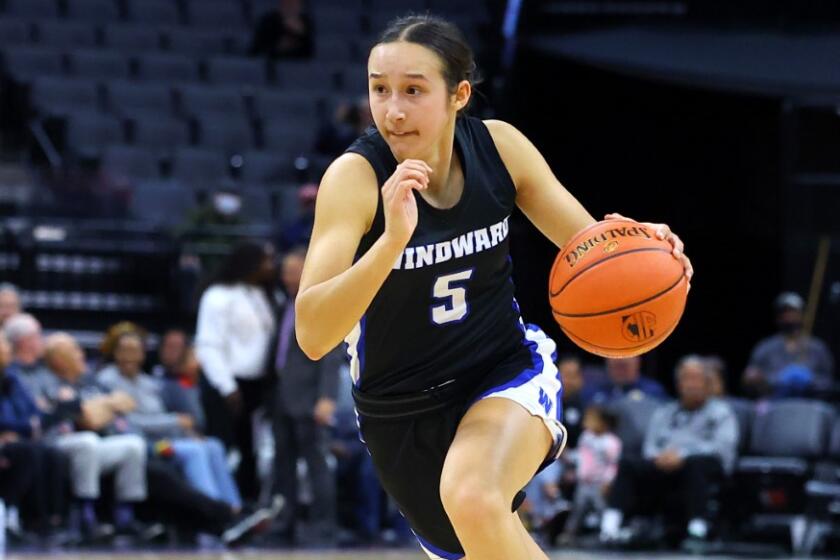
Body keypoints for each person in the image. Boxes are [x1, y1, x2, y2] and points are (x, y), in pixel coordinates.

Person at [293, 14, 693, 559]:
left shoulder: (500, 148)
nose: (393, 109)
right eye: (379, 89)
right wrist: (390, 242)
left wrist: (647, 253)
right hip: (397, 413)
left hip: (501, 370)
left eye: (413, 90)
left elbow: (590, 249)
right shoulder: (355, 179)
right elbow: (313, 333)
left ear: (459, 94)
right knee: (475, 536)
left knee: (473, 497)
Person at [599, 355, 736, 547]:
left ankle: (697, 531)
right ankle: (609, 529)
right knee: (629, 463)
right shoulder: (665, 412)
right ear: (678, 384)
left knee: (697, 464)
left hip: (702, 466)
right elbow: (650, 446)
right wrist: (660, 457)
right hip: (664, 465)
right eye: (686, 379)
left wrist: (683, 454)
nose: (691, 384)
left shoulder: (721, 412)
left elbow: (723, 448)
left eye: (696, 379)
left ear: (707, 383)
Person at [194, 240, 277, 502]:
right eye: (266, 261)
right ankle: (219, 508)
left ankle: (247, 504)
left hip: (256, 385)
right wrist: (226, 386)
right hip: (227, 385)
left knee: (250, 451)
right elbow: (208, 345)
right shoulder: (218, 295)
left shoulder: (265, 295)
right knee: (224, 448)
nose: (270, 267)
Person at [270, 247, 342, 546]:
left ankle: (324, 528)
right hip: (281, 396)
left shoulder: (319, 302)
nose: (287, 276)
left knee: (316, 465)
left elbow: (331, 353)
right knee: (282, 465)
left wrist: (327, 397)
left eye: (293, 270)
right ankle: (285, 524)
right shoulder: (283, 303)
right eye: (285, 270)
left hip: (310, 398)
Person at [742, 292, 834, 397]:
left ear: (802, 315)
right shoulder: (765, 348)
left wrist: (811, 381)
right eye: (784, 312)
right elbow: (749, 378)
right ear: (777, 317)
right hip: (773, 404)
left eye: (793, 312)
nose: (788, 316)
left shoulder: (818, 348)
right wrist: (773, 380)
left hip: (809, 405)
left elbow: (829, 383)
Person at [560, 405, 621, 543]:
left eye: (591, 419)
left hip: (599, 483)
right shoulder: (586, 437)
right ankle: (569, 534)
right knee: (577, 509)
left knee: (601, 509)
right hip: (583, 482)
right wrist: (568, 456)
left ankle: (608, 534)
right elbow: (582, 457)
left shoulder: (611, 442)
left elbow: (613, 465)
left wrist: (608, 481)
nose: (586, 422)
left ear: (604, 423)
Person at [582, 356, 668, 406]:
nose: (620, 373)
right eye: (617, 367)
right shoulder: (593, 391)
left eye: (623, 367)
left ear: (637, 362)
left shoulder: (653, 391)